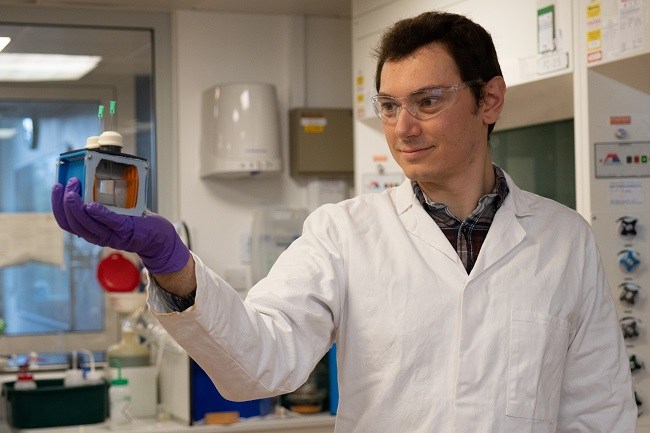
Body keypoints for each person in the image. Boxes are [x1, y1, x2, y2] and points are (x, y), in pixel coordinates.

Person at [51, 10, 636, 433]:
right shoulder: (343, 233)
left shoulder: (564, 240)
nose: (403, 126)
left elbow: (598, 413)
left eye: (428, 101)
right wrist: (173, 265)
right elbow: (260, 362)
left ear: (490, 101)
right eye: (388, 105)